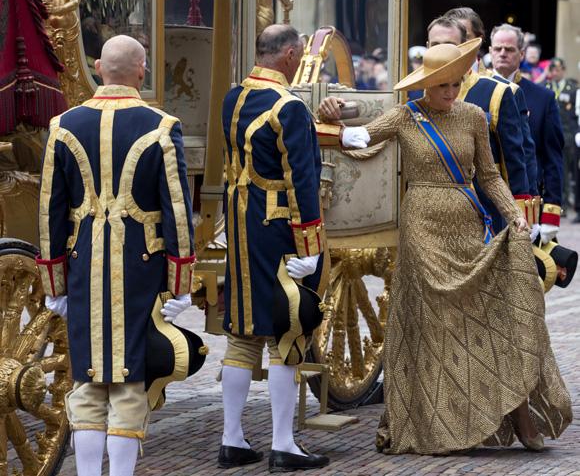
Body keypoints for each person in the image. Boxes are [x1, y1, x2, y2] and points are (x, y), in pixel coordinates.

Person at [319, 40, 572, 455]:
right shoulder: (405, 116)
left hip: (467, 222)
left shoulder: (472, 116)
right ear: (427, 86)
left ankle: (519, 410)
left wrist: (514, 214)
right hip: (422, 226)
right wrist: (326, 114)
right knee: (437, 324)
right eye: (443, 87)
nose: (452, 94)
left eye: (456, 85)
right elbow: (356, 137)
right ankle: (441, 421)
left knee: (488, 316)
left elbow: (489, 177)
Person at [36, 35, 196, 476]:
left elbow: (49, 210)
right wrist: (180, 283)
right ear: (140, 69)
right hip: (140, 268)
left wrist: (54, 284)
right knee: (129, 381)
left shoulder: (63, 125)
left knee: (88, 378)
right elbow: (176, 211)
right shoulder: (162, 126)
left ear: (99, 68)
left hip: (83, 263)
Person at [220, 25, 356, 472]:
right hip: (281, 229)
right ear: (291, 54)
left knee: (243, 332)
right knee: (287, 330)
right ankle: (283, 443)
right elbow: (302, 180)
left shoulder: (234, 96)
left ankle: (232, 439)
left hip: (242, 226)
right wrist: (312, 245)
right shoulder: (288, 106)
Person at [412, 16, 533, 235]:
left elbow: (515, 162)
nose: (441, 51)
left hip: (483, 213)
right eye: (435, 45)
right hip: (428, 218)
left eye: (449, 45)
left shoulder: (498, 93)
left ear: (464, 49)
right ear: (427, 47)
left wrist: (521, 217)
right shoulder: (412, 95)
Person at [445, 7, 539, 231]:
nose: (454, 44)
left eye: (463, 37)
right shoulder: (422, 92)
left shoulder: (500, 91)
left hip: (487, 208)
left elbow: (519, 158)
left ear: (477, 41)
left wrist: (524, 215)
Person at [490, 24, 565, 243]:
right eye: (498, 48)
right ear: (490, 52)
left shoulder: (542, 98)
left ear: (521, 54)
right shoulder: (474, 92)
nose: (503, 53)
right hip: (486, 204)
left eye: (510, 49)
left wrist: (551, 214)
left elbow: (553, 157)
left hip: (528, 205)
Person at [546, 57, 579, 215]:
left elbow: (574, 115)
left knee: (566, 172)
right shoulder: (545, 87)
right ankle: (554, 203)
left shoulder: (572, 89)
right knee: (552, 171)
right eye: (552, 69)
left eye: (558, 69)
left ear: (563, 70)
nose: (555, 72)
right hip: (550, 136)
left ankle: (564, 204)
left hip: (567, 136)